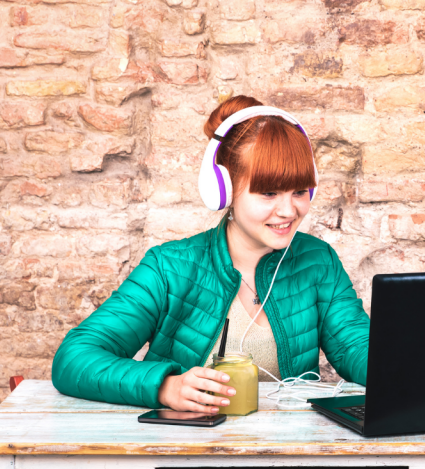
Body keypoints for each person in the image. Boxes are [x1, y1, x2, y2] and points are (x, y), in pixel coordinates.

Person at [51, 95, 370, 413]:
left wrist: (405, 362)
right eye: (269, 193)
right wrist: (165, 386)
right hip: (185, 452)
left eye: (299, 191)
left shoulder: (318, 262)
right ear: (225, 189)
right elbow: (74, 358)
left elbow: (357, 347)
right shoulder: (169, 268)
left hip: (284, 453)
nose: (289, 210)